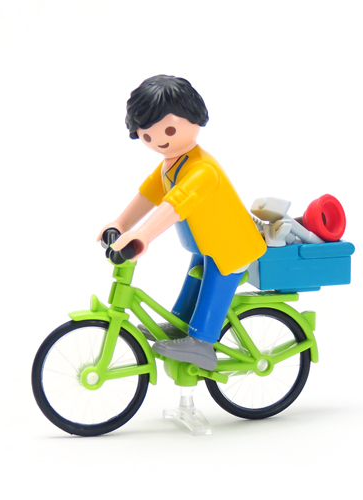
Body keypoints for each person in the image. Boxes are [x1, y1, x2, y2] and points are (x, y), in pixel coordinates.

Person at [98, 75, 266, 371]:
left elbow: (174, 205)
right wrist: (121, 223)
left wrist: (143, 234)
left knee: (214, 284)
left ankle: (202, 344)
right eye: (147, 135)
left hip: (232, 247)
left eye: (169, 130)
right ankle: (180, 324)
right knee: (194, 280)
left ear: (195, 118)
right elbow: (148, 195)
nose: (159, 140)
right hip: (207, 245)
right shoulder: (172, 163)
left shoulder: (202, 171)